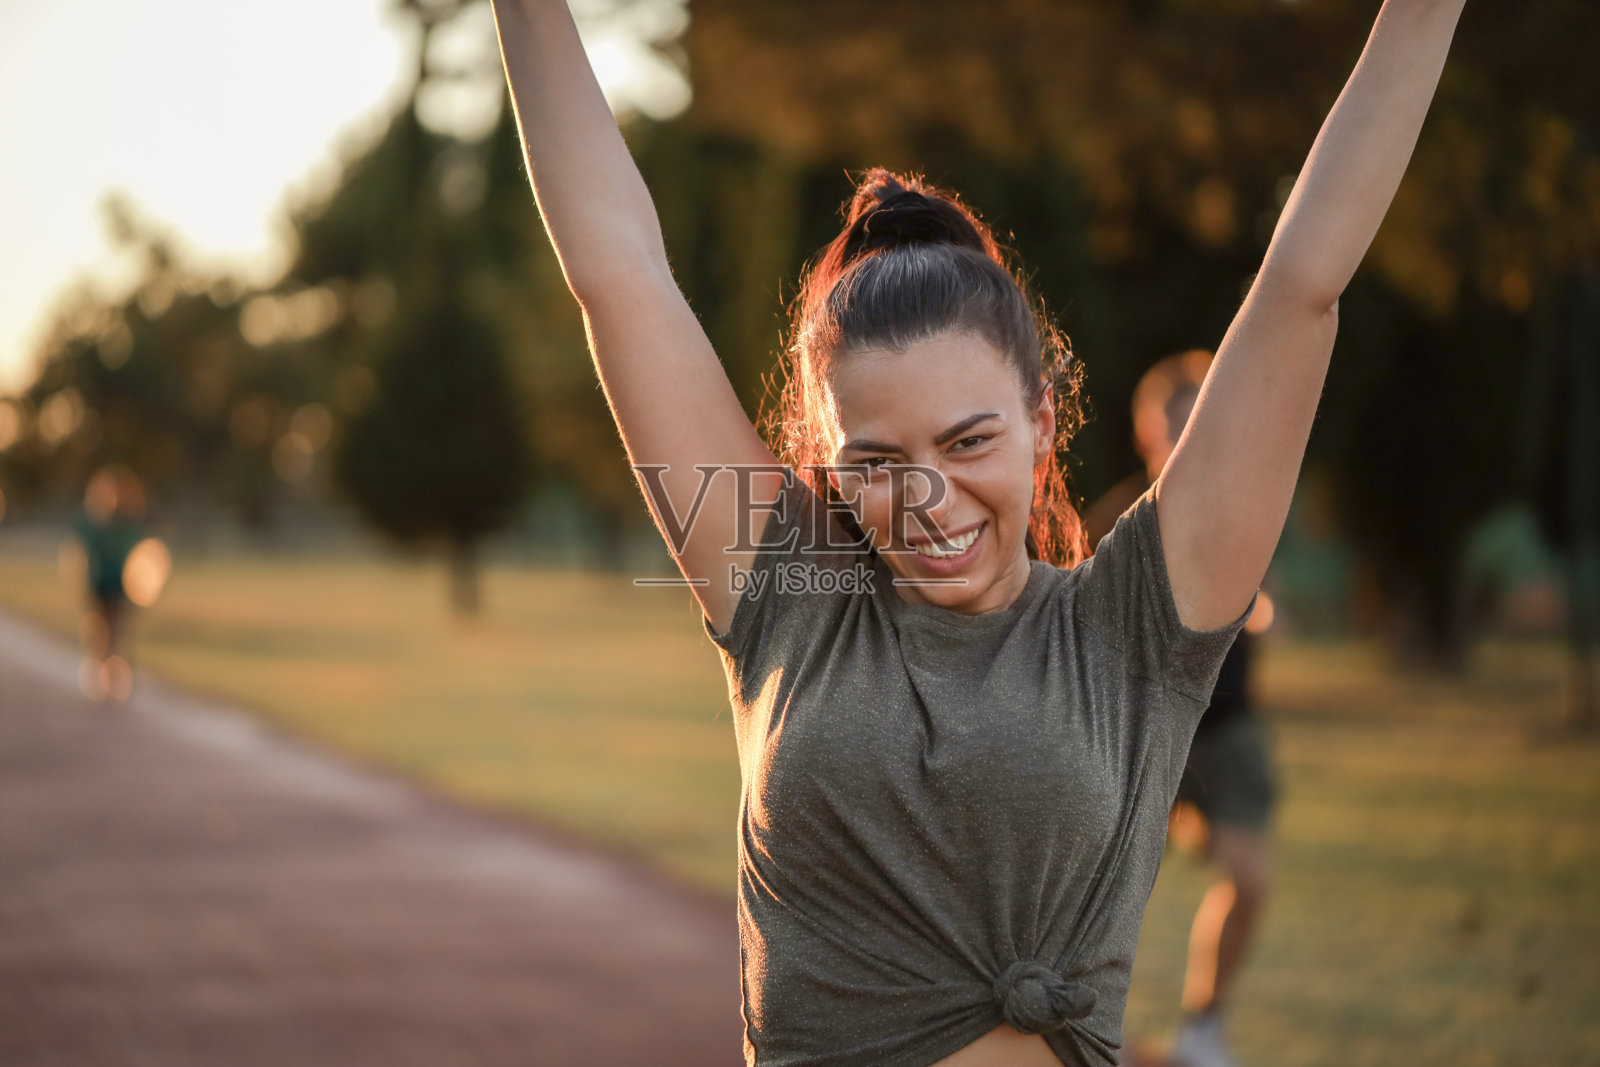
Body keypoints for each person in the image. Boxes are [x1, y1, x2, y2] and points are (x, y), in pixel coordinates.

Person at [489, 2, 1466, 1063]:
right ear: (827, 463)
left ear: (1042, 419)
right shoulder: (785, 597)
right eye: (876, 462)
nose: (930, 499)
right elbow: (618, 274)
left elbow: (1302, 286)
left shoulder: (1137, 620)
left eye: (967, 442)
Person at [1084, 353, 1278, 1067]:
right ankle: (1089, 1032)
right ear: (1146, 431)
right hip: (1138, 729)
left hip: (1227, 728)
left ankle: (1203, 1026)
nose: (1187, 434)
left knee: (1249, 877)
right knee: (1095, 890)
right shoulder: (1116, 522)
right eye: (1173, 422)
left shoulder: (1248, 505)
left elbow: (1264, 600)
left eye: (1198, 418)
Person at [72, 463, 148, 703]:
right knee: (99, 630)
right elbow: (83, 556)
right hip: (99, 585)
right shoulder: (93, 527)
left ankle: (116, 676)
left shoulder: (127, 527)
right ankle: (99, 671)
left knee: (118, 631)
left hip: (120, 587)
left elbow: (138, 556)